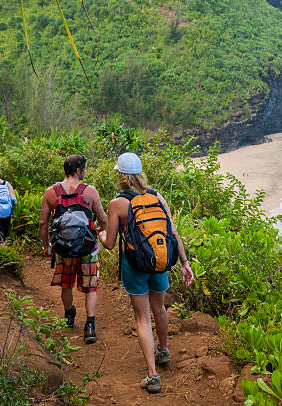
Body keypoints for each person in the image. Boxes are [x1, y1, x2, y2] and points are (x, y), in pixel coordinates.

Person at [98, 152, 193, 393]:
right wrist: (184, 263)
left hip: (135, 267)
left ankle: (152, 375)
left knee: (142, 317)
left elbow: (109, 244)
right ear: (140, 173)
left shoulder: (117, 204)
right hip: (160, 261)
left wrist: (100, 234)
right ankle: (163, 351)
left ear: (121, 176)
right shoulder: (157, 196)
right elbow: (173, 233)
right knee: (159, 308)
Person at [38, 154, 107, 344]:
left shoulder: (51, 192)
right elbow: (103, 219)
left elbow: (43, 222)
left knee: (66, 284)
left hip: (63, 248)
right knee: (90, 287)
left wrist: (47, 246)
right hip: (87, 247)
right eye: (84, 168)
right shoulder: (90, 192)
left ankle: (69, 316)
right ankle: (90, 326)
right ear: (78, 170)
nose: (85, 171)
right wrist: (99, 232)